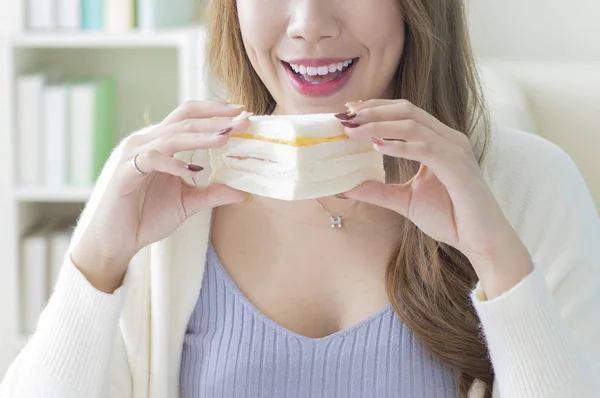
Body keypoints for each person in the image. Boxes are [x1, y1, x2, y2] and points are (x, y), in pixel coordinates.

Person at [2, 0, 599, 397]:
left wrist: (499, 260)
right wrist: (96, 266)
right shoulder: (162, 182)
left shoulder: (530, 186)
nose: (309, 23)